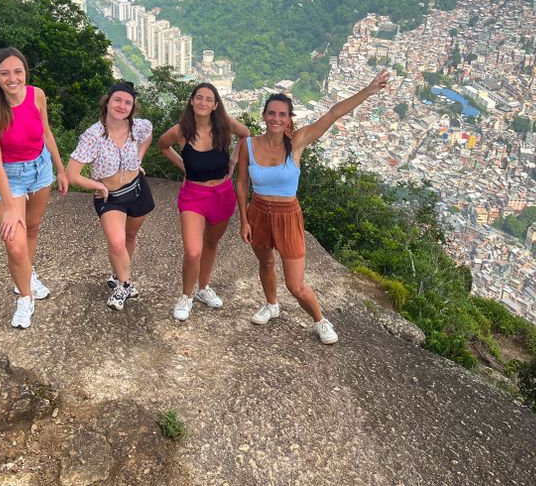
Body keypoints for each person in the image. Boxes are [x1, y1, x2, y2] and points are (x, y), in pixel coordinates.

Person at [236, 70, 390, 344]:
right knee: (265, 262)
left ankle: (320, 320)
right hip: (258, 212)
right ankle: (271, 304)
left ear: (289, 119)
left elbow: (332, 114)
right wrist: (244, 220)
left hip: (287, 216)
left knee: (295, 285)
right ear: (264, 116)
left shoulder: (297, 143)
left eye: (282, 115)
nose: (276, 119)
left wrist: (368, 90)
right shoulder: (249, 145)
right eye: (271, 113)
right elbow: (242, 184)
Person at [0, 48, 68, 330]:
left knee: (32, 228)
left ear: (26, 73)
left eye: (18, 71)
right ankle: (24, 298)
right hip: (10, 176)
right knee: (14, 244)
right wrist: (8, 208)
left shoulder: (37, 95)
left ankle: (27, 276)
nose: (12, 78)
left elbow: (46, 132)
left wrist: (61, 168)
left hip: (40, 168)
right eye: (5, 73)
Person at [158, 83, 251, 321]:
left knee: (211, 245)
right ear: (191, 101)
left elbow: (246, 134)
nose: (203, 102)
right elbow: (163, 145)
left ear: (215, 105)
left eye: (209, 99)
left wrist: (233, 161)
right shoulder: (181, 131)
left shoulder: (224, 126)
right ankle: (186, 296)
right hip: (193, 196)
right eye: (199, 98)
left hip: (222, 194)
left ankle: (203, 288)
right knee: (193, 250)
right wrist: (184, 166)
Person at [66, 81, 154, 310]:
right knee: (116, 242)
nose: (122, 106)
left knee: (130, 238)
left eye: (127, 102)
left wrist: (139, 159)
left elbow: (149, 135)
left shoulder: (138, 127)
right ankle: (124, 285)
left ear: (132, 107)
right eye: (118, 100)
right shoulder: (93, 135)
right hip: (110, 197)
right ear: (108, 102)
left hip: (137, 189)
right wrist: (98, 185)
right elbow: (72, 174)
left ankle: (118, 274)